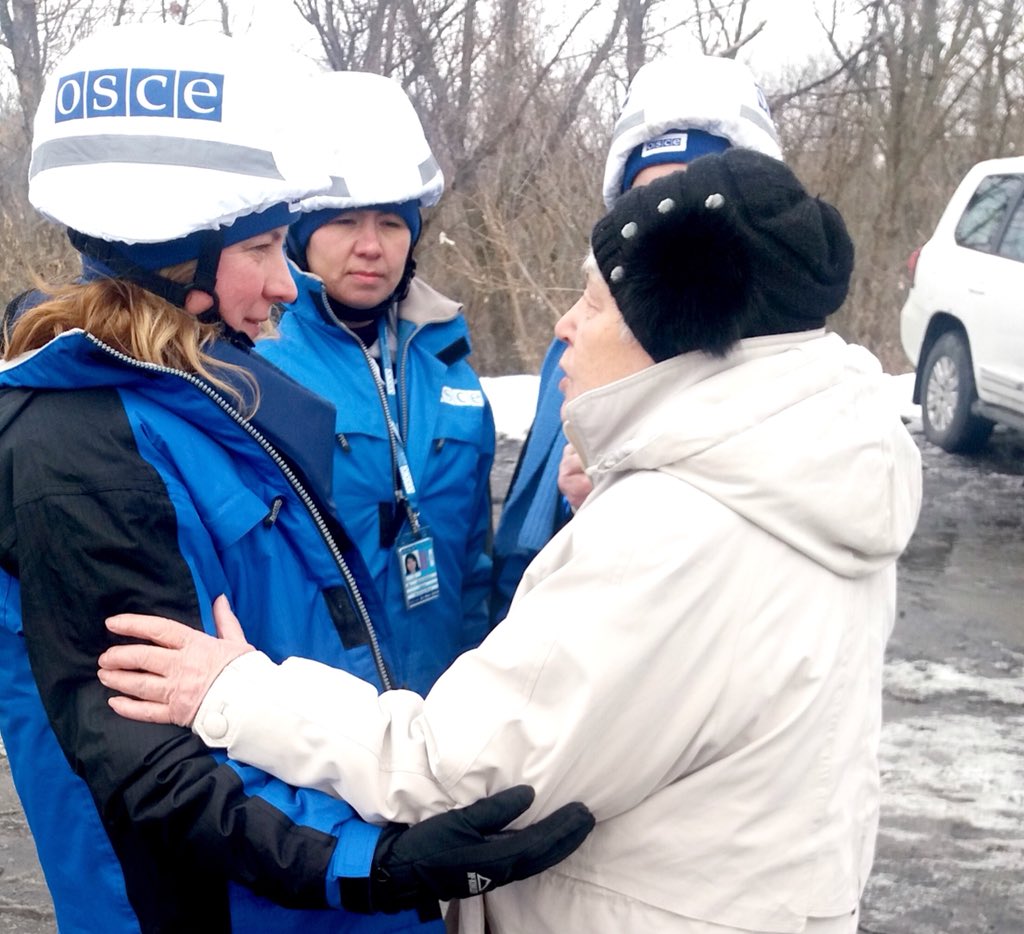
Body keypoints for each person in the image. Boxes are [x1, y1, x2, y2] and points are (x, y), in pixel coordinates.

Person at [98, 149, 924, 933]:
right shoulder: (806, 474)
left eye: (594, 302)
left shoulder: (672, 532)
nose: (566, 326)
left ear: (670, 330)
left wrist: (236, 692)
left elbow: (457, 771)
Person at [0, 23, 592, 934]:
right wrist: (370, 864)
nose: (288, 285)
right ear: (176, 258)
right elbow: (145, 759)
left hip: (314, 883)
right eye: (266, 249)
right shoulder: (79, 448)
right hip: (234, 904)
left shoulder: (202, 397)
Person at [492, 53, 784, 622]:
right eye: (644, 198)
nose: (664, 222)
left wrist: (605, 512)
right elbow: (521, 545)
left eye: (695, 199)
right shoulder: (574, 346)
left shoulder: (779, 377)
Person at [258, 71, 494, 694]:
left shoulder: (448, 364)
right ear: (301, 240)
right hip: (320, 723)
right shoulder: (253, 362)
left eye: (391, 223)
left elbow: (474, 565)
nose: (371, 247)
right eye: (345, 223)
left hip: (443, 714)